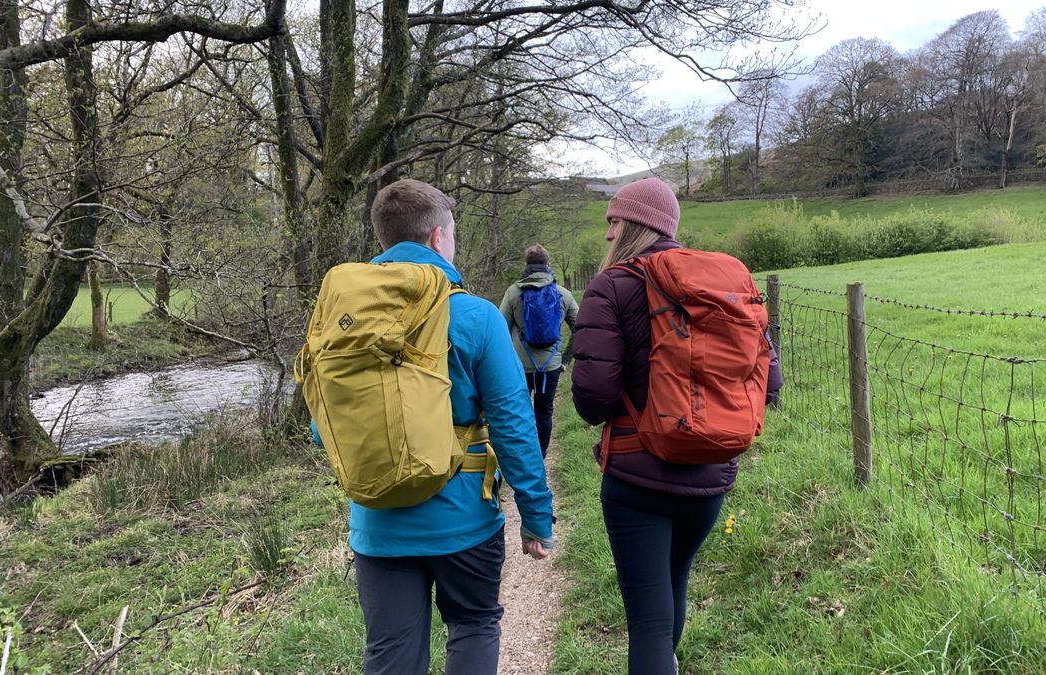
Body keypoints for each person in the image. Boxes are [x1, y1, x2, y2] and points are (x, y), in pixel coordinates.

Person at [330, 179, 556, 675]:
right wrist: (536, 515)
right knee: (474, 624)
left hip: (378, 520)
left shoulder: (345, 318)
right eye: (451, 234)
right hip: (464, 521)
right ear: (437, 238)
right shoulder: (474, 315)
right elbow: (514, 424)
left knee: (391, 652)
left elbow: (323, 421)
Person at [570, 177, 783, 675]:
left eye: (614, 221)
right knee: (673, 586)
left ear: (636, 225)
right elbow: (770, 383)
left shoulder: (612, 285)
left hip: (635, 477)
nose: (607, 234)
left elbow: (593, 400)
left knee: (647, 619)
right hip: (711, 471)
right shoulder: (723, 282)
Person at [498, 243, 579, 457]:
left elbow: (499, 329)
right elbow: (581, 327)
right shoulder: (563, 294)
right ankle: (540, 455)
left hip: (519, 366)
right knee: (544, 411)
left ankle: (522, 455)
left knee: (520, 411)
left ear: (526, 264)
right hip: (550, 365)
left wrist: (507, 360)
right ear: (548, 264)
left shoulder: (514, 292)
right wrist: (566, 359)